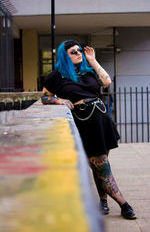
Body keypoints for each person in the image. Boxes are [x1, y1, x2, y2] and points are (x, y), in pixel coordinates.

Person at [41, 40, 136, 219]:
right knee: (102, 166)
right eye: (73, 52)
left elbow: (106, 81)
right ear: (64, 55)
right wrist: (59, 100)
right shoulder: (57, 76)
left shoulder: (88, 70)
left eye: (79, 51)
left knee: (98, 166)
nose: (78, 53)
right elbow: (45, 98)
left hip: (102, 121)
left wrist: (92, 60)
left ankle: (103, 202)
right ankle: (124, 204)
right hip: (85, 124)